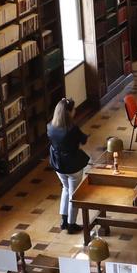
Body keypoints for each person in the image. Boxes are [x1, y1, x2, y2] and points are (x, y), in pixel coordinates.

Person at [47, 98, 90, 234]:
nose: (75, 111)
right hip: (73, 165)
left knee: (65, 189)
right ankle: (72, 224)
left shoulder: (50, 127)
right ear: (69, 112)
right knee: (74, 194)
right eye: (73, 109)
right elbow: (83, 140)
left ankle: (64, 221)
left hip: (58, 164)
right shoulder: (72, 129)